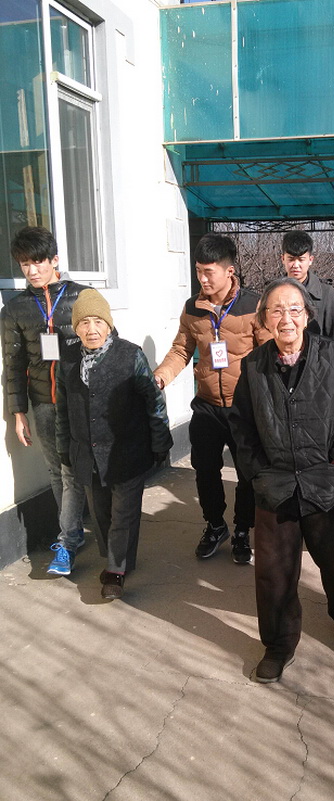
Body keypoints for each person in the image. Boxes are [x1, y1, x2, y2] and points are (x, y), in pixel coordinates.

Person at [230, 277, 334, 683]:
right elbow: (241, 427)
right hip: (275, 485)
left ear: (308, 315)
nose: (286, 318)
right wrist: (257, 472)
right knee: (273, 573)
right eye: (276, 310)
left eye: (294, 309)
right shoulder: (254, 366)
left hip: (327, 481)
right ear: (264, 319)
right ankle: (278, 645)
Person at [154, 233, 269, 564]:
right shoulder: (193, 308)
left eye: (209, 272)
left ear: (229, 270)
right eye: (198, 271)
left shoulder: (253, 305)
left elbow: (268, 352)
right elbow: (181, 349)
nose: (202, 279)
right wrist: (161, 376)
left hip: (244, 407)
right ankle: (216, 525)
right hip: (206, 405)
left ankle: (243, 529)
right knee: (204, 469)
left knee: (246, 474)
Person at [56, 289, 173, 599]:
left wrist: (160, 441)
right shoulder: (67, 360)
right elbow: (62, 410)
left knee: (124, 514)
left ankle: (116, 570)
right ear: (76, 327)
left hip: (127, 451)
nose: (91, 329)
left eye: (98, 322)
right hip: (87, 454)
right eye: (84, 323)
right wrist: (64, 450)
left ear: (109, 324)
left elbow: (153, 400)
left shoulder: (130, 355)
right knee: (101, 513)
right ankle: (117, 559)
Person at [1, 226, 87, 574]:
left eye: (38, 262)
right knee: (58, 471)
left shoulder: (82, 297)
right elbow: (13, 364)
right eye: (25, 264)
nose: (32, 270)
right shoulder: (15, 309)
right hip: (43, 403)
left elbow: (106, 347)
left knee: (74, 471)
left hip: (79, 402)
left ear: (54, 260)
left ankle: (71, 539)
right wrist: (18, 412)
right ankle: (71, 536)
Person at [281, 231, 334, 339]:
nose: (296, 265)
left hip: (317, 349)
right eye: (291, 259)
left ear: (310, 260)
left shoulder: (325, 292)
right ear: (283, 259)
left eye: (301, 259)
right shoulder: (273, 291)